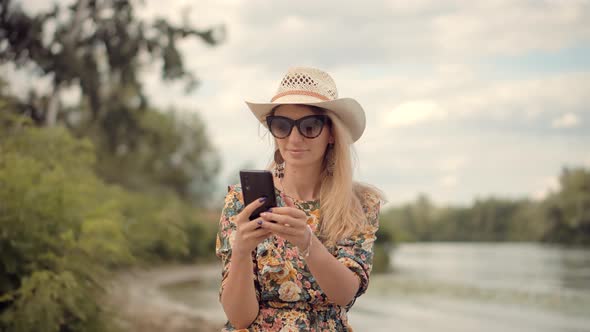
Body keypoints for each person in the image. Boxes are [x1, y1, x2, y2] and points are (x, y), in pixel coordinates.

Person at [215, 66, 384, 331]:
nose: (294, 138)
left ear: (331, 133)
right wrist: (241, 251)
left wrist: (306, 241)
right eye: (282, 125)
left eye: (309, 126)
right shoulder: (240, 201)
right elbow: (239, 319)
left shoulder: (360, 203)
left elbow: (344, 294)